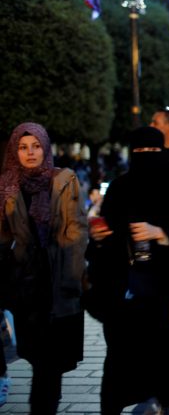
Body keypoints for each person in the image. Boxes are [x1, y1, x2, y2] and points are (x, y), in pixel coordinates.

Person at [85, 127, 169, 414]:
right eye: (141, 152)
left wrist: (161, 233)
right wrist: (100, 238)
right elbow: (106, 237)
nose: (147, 157)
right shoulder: (120, 187)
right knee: (121, 360)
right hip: (127, 292)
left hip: (167, 290)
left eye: (153, 151)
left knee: (165, 354)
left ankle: (165, 401)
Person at [0, 123, 87, 414]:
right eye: (23, 147)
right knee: (38, 358)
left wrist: (72, 279)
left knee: (50, 365)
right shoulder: (7, 186)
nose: (30, 153)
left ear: (45, 147)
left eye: (36, 146)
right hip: (25, 285)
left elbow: (76, 231)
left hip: (58, 282)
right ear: (15, 150)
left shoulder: (63, 179)